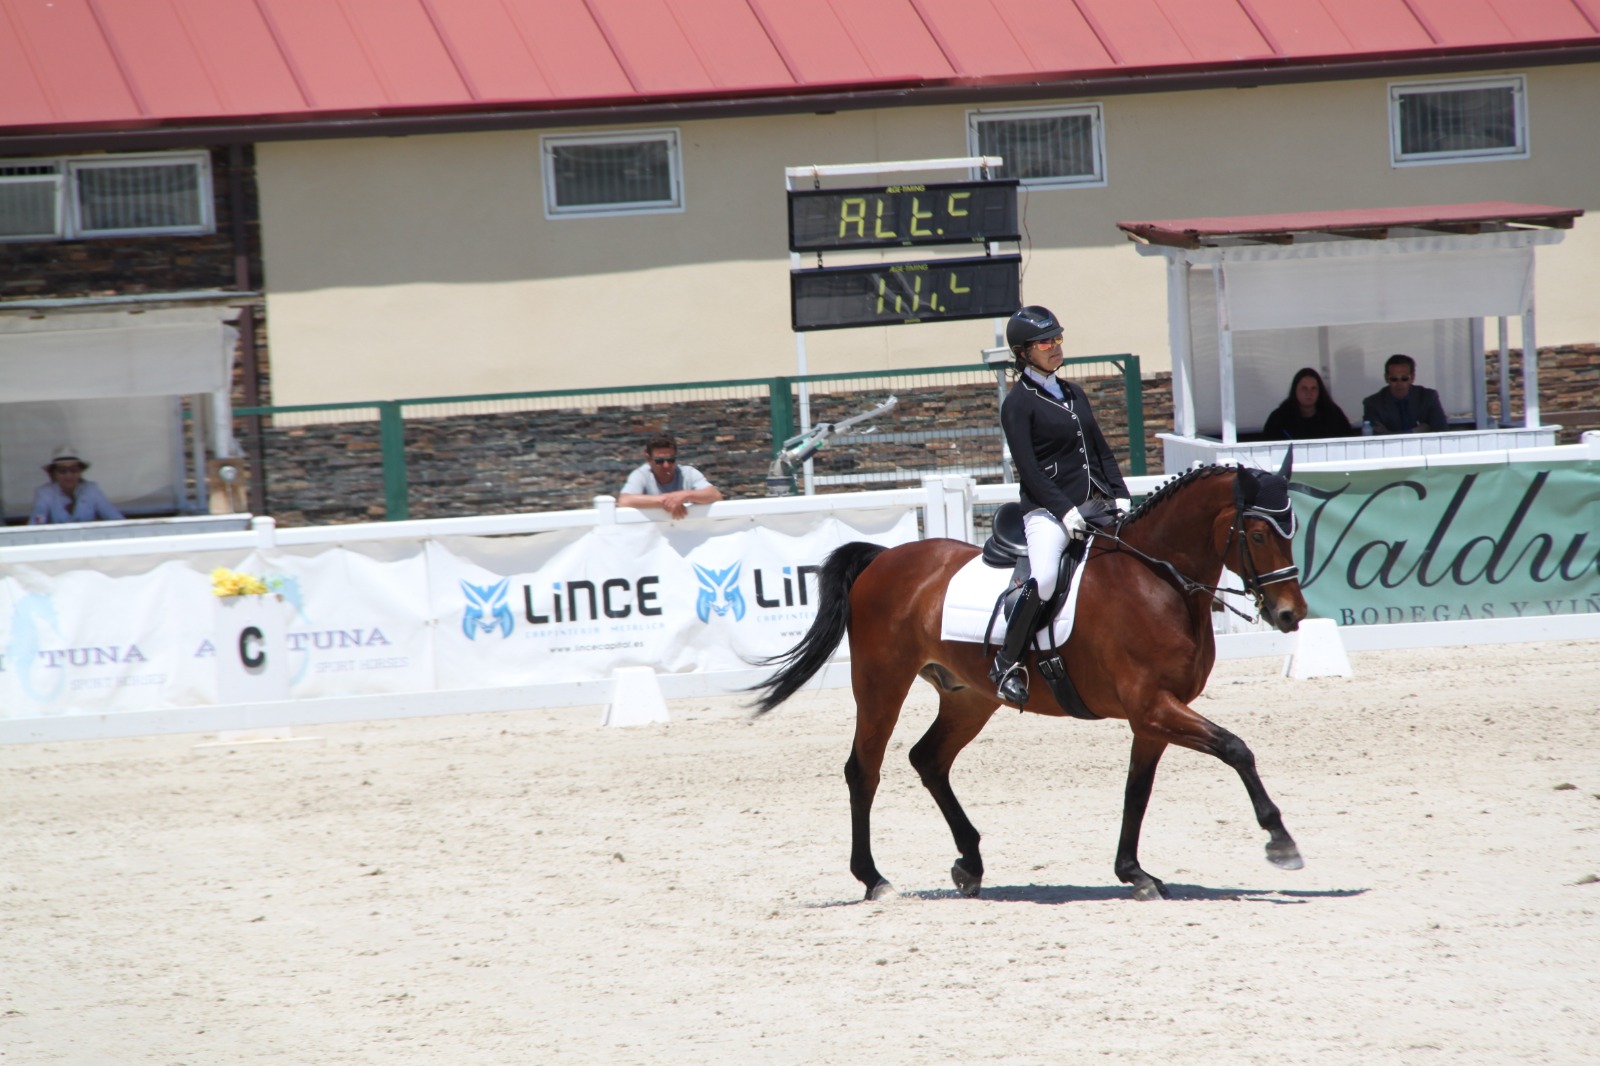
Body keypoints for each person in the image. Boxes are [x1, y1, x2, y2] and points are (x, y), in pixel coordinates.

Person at [991, 305, 1129, 707]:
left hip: (1095, 502)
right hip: (1047, 511)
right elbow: (1030, 472)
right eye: (1045, 342)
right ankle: (1006, 664)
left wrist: (1119, 493)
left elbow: (1099, 449)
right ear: (1023, 353)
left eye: (1058, 338)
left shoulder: (1073, 392)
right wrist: (1065, 511)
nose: (1055, 347)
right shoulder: (1017, 404)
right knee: (1047, 576)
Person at [617, 433, 723, 519]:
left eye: (671, 460)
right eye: (659, 461)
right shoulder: (641, 474)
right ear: (648, 458)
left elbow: (715, 495)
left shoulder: (688, 473)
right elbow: (624, 501)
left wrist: (685, 495)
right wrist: (667, 501)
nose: (666, 465)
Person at [28, 446, 124, 525]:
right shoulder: (44, 493)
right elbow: (36, 524)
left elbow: (116, 519)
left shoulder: (92, 489)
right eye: (62, 471)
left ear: (80, 472)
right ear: (54, 474)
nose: (68, 475)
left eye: (74, 470)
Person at [1362, 354, 1449, 434]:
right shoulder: (1373, 403)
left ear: (1413, 377)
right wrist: (1414, 431)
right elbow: (1374, 439)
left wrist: (1388, 433)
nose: (1399, 383)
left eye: (1404, 378)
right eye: (1393, 379)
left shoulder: (1428, 397)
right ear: (1386, 378)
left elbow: (1441, 431)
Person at [1262, 367, 1356, 440]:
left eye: (1313, 388)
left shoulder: (1333, 414)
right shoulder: (1279, 418)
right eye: (1304, 388)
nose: (1309, 393)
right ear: (1295, 390)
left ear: (1320, 391)